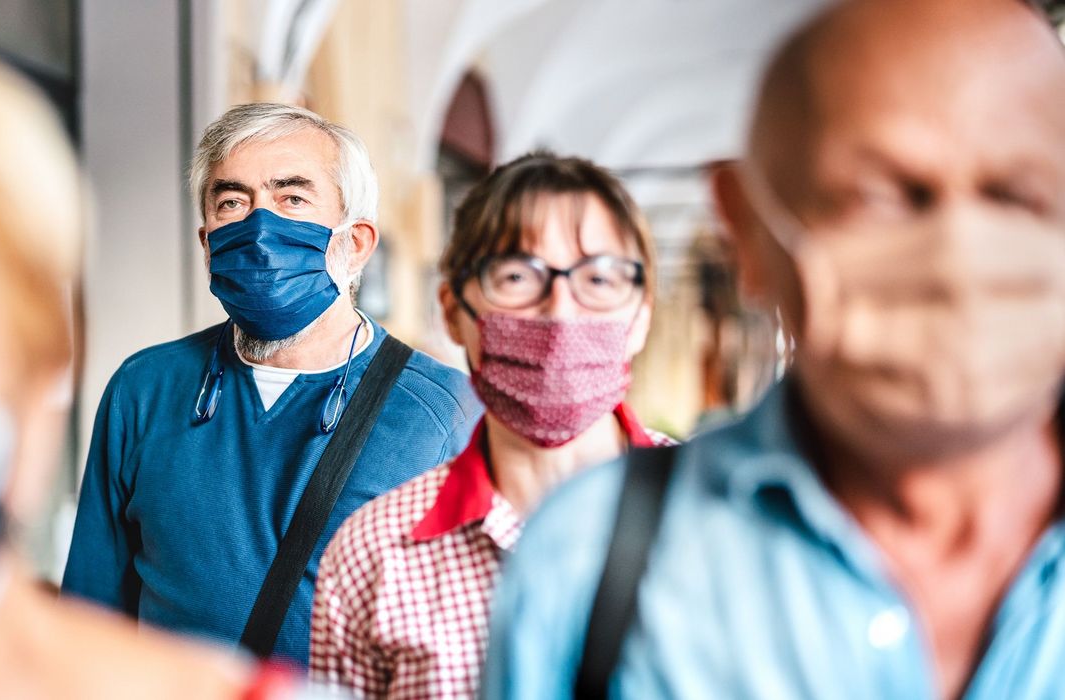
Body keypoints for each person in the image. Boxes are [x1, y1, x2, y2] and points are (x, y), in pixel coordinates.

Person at [483, 0, 1065, 698]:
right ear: (749, 228)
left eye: (1020, 195)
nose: (961, 254)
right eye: (885, 196)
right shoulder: (589, 560)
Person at [0, 19, 300, 698]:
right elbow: (98, 577)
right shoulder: (148, 387)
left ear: (40, 373)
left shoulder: (428, 402)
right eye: (234, 202)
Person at [62, 102, 482, 666]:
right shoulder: (146, 389)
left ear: (354, 242)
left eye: (292, 198)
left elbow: (469, 645)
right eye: (232, 202)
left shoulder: (445, 412)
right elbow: (88, 620)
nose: (259, 228)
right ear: (208, 241)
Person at [310, 153, 677, 698]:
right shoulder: (374, 552)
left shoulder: (725, 515)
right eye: (516, 276)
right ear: (454, 310)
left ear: (641, 316)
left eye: (599, 278)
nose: (560, 312)